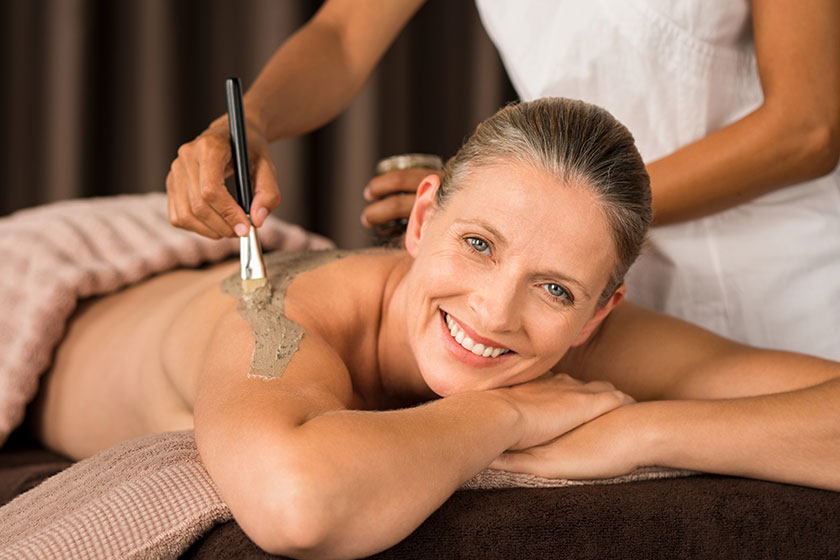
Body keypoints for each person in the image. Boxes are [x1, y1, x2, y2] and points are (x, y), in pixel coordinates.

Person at [35, 99, 840, 558]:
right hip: (55, 300)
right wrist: (509, 413)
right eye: (478, 244)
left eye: (554, 289)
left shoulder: (581, 341)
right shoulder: (277, 319)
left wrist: (643, 433)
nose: (495, 312)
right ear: (422, 219)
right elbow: (298, 504)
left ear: (599, 314)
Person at [166, 0, 840, 360]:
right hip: (574, 289)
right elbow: (343, 34)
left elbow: (807, 128)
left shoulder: (573, 232)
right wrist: (252, 120)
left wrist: (538, 216)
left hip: (784, 282)